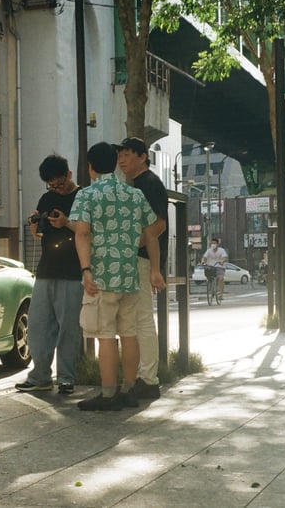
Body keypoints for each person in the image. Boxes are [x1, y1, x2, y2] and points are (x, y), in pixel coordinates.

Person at [70, 142, 166, 411]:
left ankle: (109, 394)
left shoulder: (87, 195)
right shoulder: (134, 195)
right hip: (130, 275)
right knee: (129, 333)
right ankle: (128, 390)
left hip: (102, 276)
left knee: (105, 335)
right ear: (114, 163)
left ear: (90, 167)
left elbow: (82, 233)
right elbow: (151, 235)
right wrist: (156, 269)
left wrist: (86, 270)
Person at [15, 154, 83, 395]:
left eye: (59, 183)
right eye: (51, 185)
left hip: (74, 270)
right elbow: (39, 234)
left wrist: (65, 223)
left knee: (69, 328)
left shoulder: (82, 196)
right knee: (38, 324)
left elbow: (89, 231)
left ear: (69, 175)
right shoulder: (47, 198)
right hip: (46, 269)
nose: (56, 188)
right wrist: (35, 226)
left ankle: (66, 377)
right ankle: (40, 375)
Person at [116, 137, 167, 400]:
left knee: (143, 319)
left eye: (127, 154)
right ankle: (143, 376)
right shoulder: (137, 184)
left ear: (143, 157)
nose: (122, 160)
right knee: (136, 320)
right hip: (140, 259)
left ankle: (148, 379)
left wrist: (131, 246)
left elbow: (159, 225)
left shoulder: (149, 184)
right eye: (120, 156)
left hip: (143, 260)